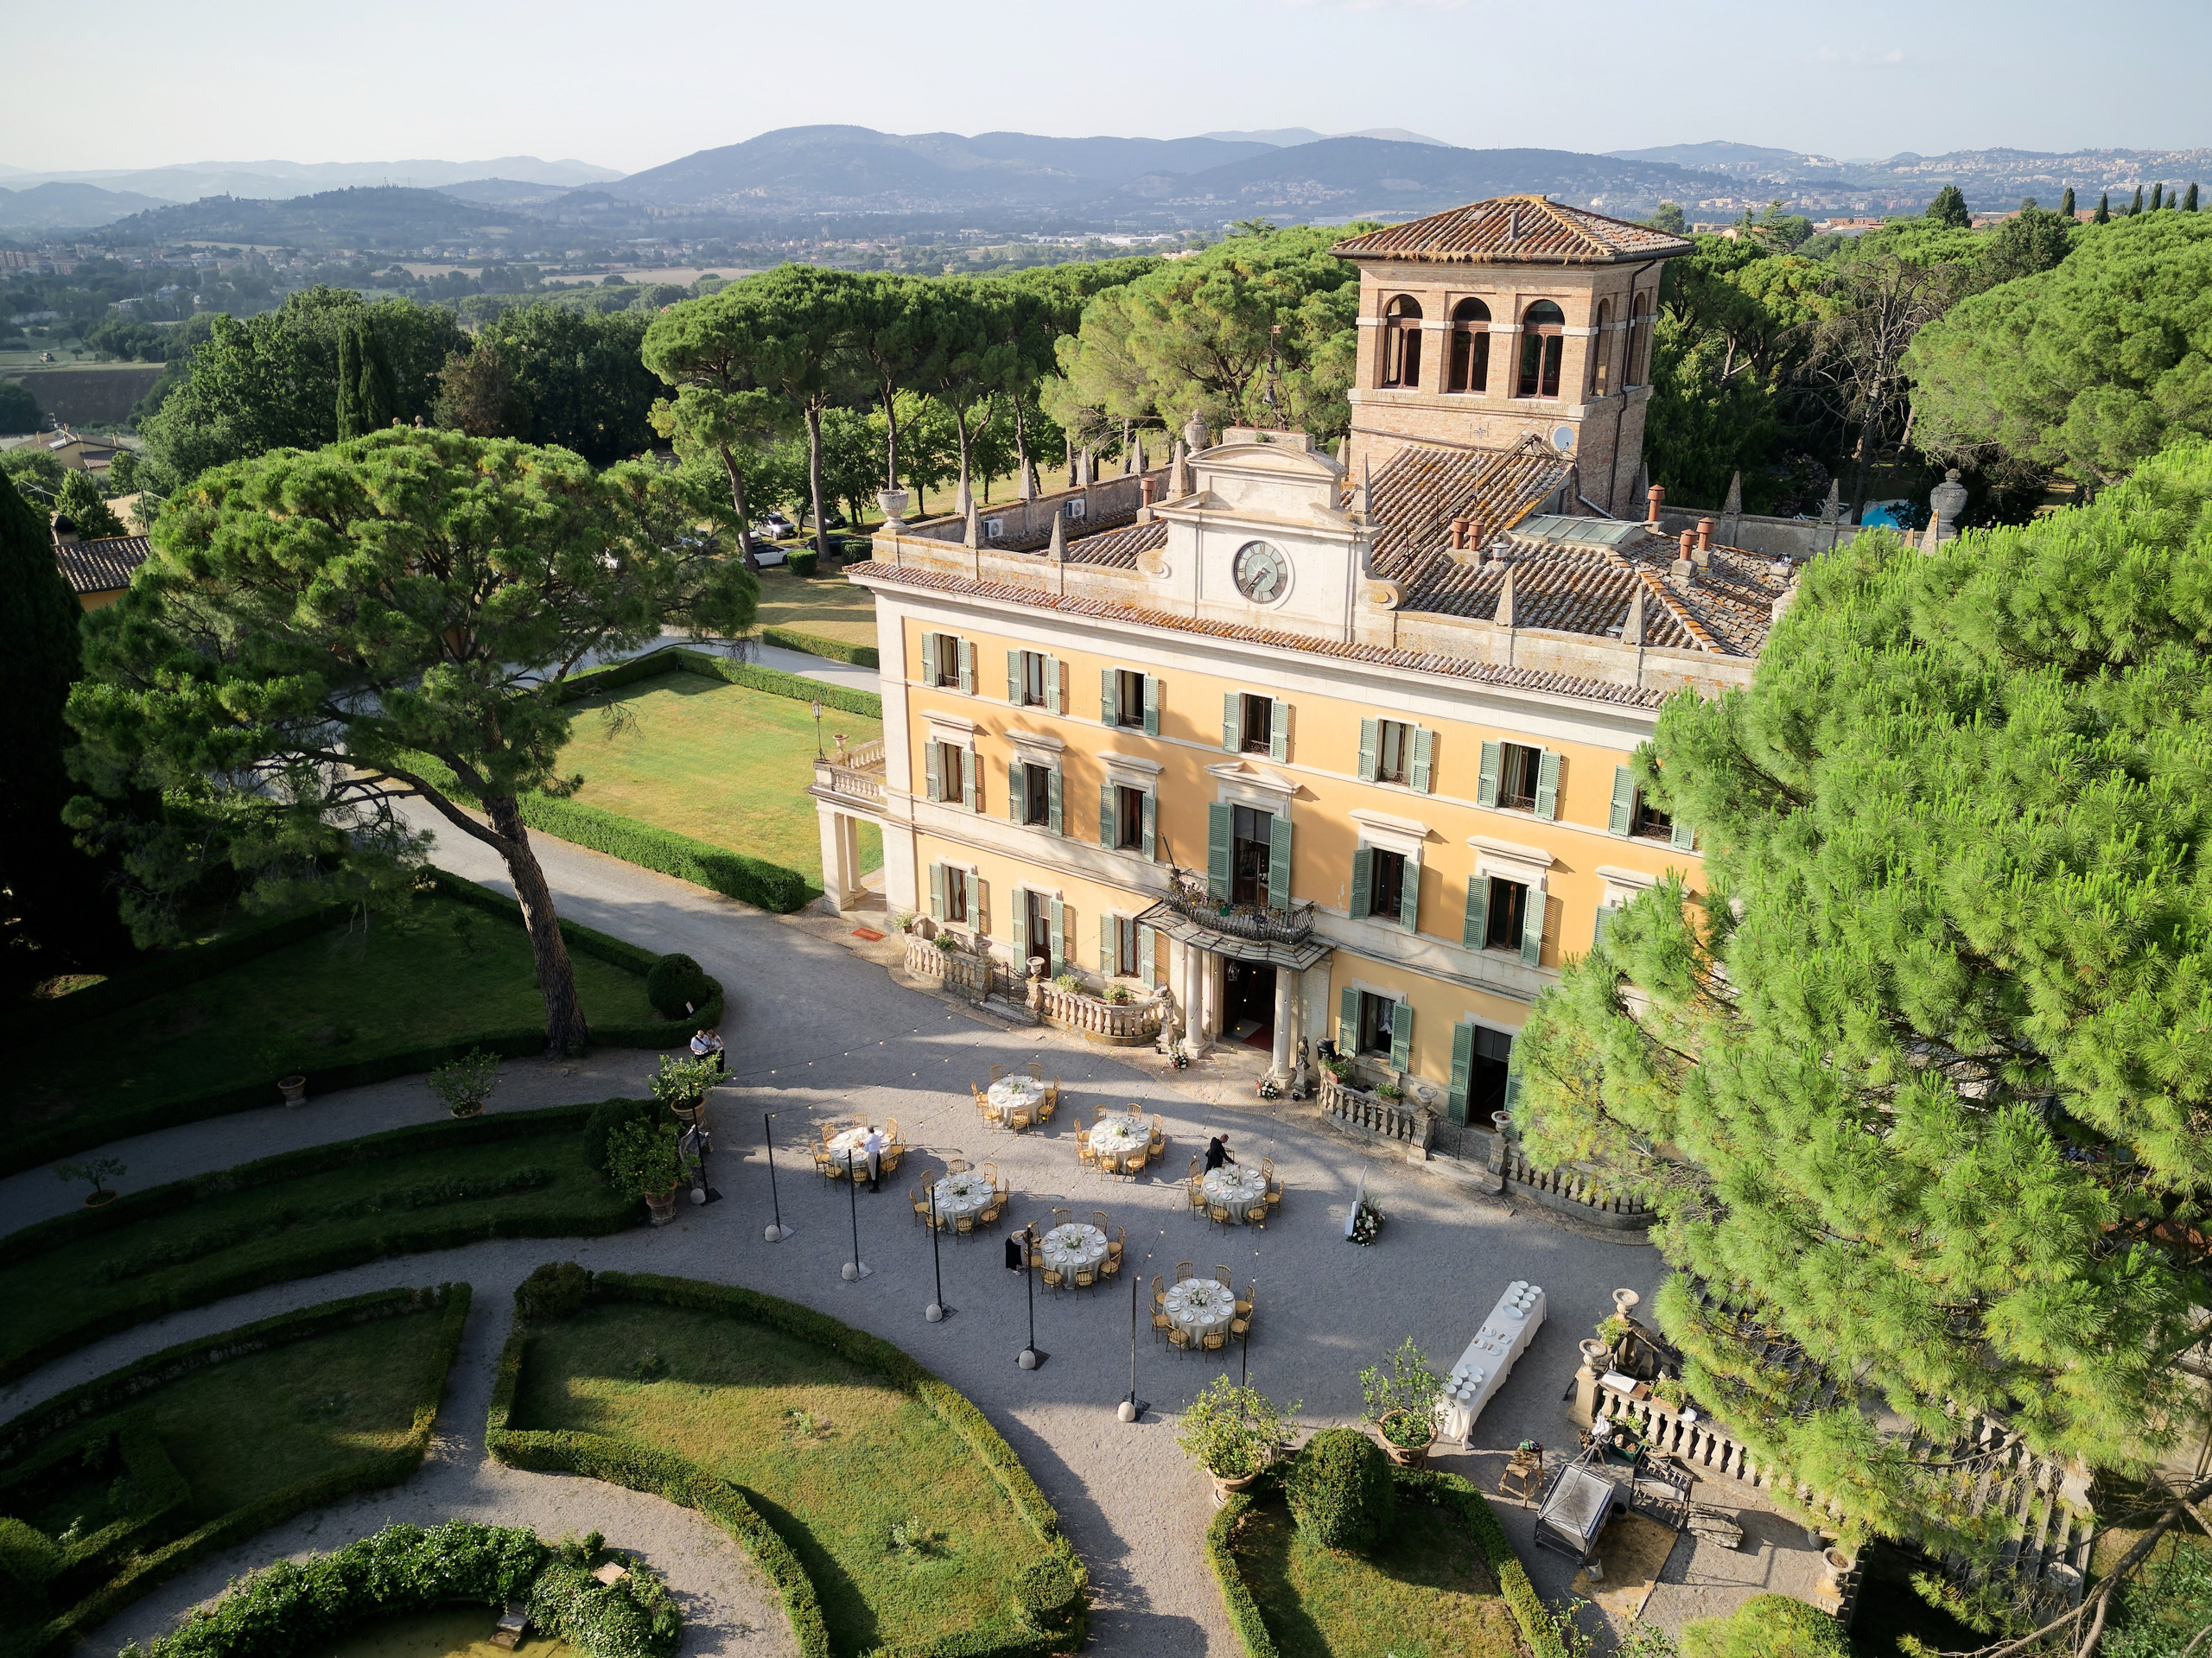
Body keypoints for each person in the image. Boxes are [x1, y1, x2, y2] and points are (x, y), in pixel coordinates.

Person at [862, 1123, 885, 1192]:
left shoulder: (868, 1139)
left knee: (873, 1171)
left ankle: (875, 1187)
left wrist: (863, 1146)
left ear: (868, 1132)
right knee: (877, 1169)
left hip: (873, 1156)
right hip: (878, 1154)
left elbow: (866, 1149)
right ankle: (877, 1182)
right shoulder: (877, 1137)